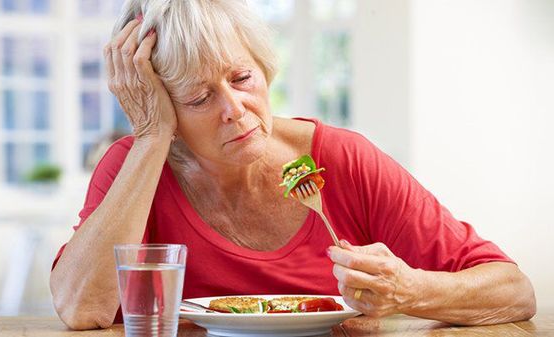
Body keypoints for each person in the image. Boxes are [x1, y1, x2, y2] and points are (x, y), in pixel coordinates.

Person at [50, 0, 536, 330]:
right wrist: (152, 136)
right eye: (198, 97)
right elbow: (81, 308)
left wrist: (410, 290)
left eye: (242, 77)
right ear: (160, 105)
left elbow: (513, 292)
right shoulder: (136, 167)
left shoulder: (342, 160)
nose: (236, 109)